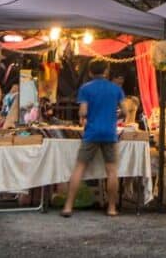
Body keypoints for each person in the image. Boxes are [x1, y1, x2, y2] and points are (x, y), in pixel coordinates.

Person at [61, 60, 125, 218]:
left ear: (90, 72)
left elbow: (83, 112)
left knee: (79, 168)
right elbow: (123, 111)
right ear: (106, 71)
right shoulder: (116, 89)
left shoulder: (85, 88)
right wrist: (115, 115)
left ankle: (68, 206)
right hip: (110, 133)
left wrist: (86, 116)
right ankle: (111, 208)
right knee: (111, 171)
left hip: (91, 133)